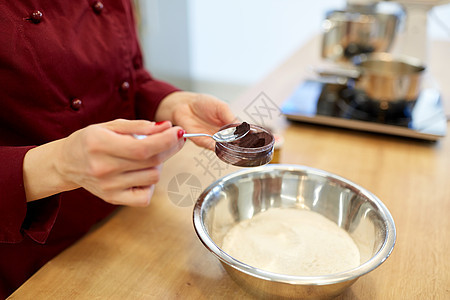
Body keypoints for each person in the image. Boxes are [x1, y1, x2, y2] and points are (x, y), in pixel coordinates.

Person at [0, 1, 235, 298]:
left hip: (123, 224)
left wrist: (170, 103)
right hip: (29, 263)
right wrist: (59, 164)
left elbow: (128, 76)